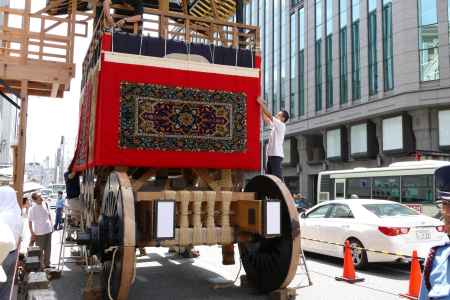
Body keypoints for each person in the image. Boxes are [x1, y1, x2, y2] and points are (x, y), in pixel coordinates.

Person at [256, 97, 290, 179]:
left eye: (278, 115)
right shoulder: (275, 126)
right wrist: (260, 106)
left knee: (277, 178)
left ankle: (281, 191)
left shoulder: (281, 125)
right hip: (271, 155)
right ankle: (270, 191)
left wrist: (262, 103)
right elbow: (265, 118)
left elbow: (269, 115)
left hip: (276, 155)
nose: (276, 116)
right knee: (269, 178)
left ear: (283, 118)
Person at [0, 185, 23, 300]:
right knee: (7, 286)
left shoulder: (3, 217)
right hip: (13, 254)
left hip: (2, 255)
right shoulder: (17, 215)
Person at [28, 192, 53, 269]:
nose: (41, 197)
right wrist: (32, 232)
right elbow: (29, 221)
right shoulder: (32, 209)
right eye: (39, 197)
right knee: (40, 250)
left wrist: (52, 225)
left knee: (48, 249)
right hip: (39, 232)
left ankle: (47, 264)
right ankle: (40, 266)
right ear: (35, 200)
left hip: (48, 230)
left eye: (41, 195)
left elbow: (49, 215)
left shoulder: (45, 204)